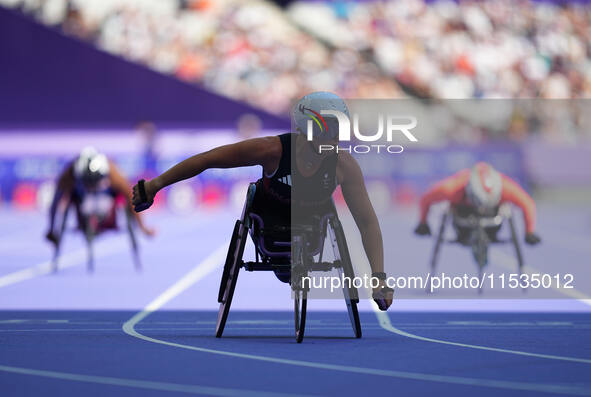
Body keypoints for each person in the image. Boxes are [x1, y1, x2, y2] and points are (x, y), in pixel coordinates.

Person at [132, 92, 393, 310]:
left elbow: (367, 222)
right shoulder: (272, 150)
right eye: (329, 127)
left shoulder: (344, 165)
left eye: (340, 127)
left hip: (312, 232)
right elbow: (207, 159)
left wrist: (379, 277)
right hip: (268, 229)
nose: (336, 136)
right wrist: (154, 185)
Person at [46, 147, 155, 248]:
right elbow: (55, 202)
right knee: (71, 197)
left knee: (119, 198)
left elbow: (132, 199)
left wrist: (143, 227)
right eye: (88, 182)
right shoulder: (68, 175)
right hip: (80, 197)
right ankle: (85, 223)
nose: (91, 186)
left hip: (107, 197)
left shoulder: (113, 174)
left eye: (93, 182)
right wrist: (51, 229)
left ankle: (103, 222)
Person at [414, 162, 541, 245]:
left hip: (493, 222)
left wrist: (529, 231)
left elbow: (527, 203)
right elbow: (426, 198)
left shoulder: (505, 187)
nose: (481, 208)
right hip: (463, 221)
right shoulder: (453, 188)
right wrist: (423, 223)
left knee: (506, 211)